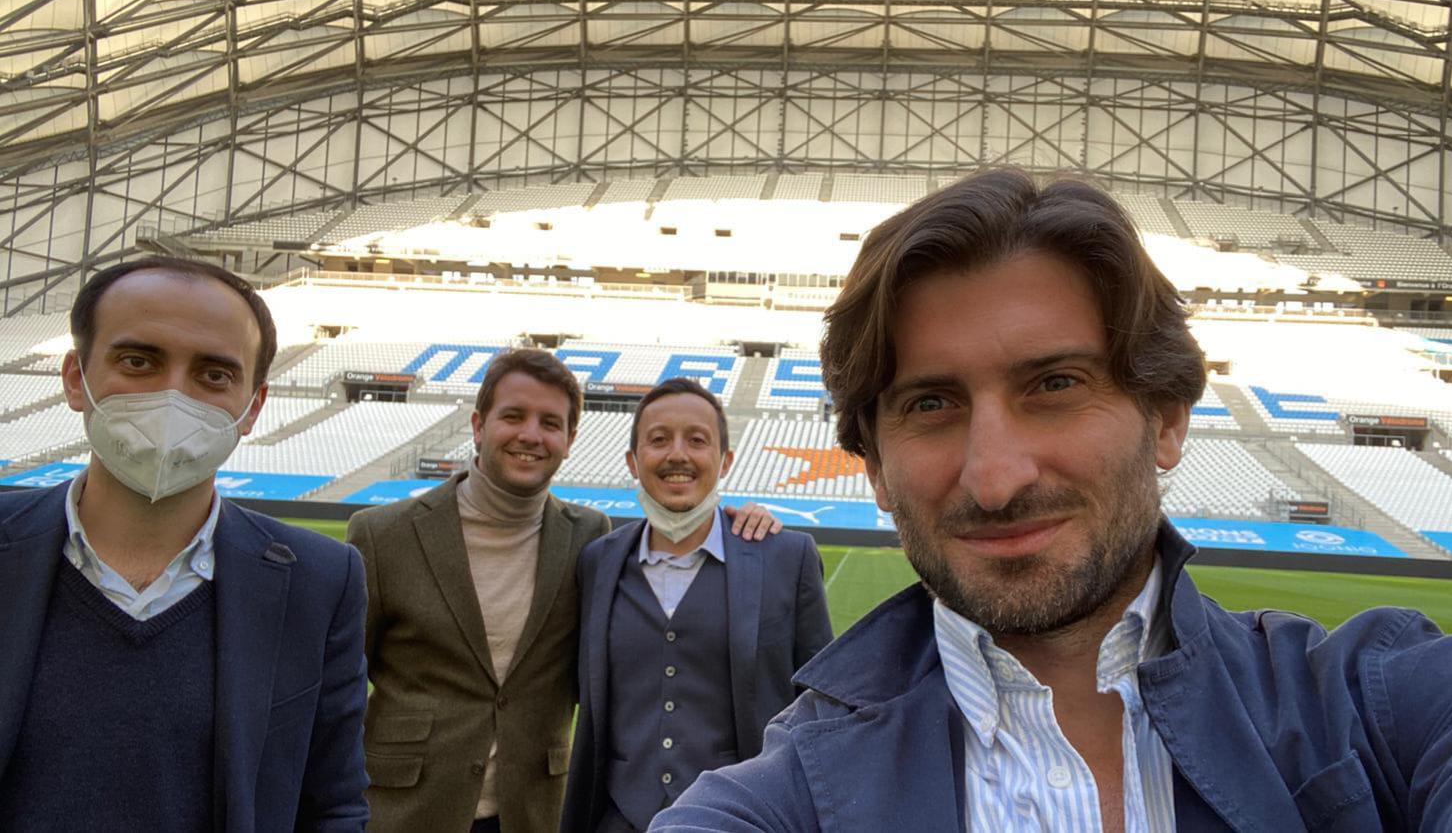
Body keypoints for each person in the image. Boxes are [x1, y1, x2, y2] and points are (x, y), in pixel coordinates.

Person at [652, 170, 1452, 833]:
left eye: (1056, 384)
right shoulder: (773, 801)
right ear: (874, 466)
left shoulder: (1377, 701)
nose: (996, 478)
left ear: (1168, 419)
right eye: (929, 404)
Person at [0, 256, 368, 832]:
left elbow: (333, 806)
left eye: (214, 374)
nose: (174, 396)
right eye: (138, 360)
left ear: (253, 406)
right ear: (76, 378)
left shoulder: (320, 582)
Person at [349, 350, 782, 833]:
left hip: (532, 811)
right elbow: (336, 687)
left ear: (570, 440)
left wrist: (742, 519)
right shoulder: (381, 535)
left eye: (550, 423)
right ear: (477, 425)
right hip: (405, 811)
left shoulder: (589, 537)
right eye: (513, 416)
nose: (531, 435)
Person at [562, 377, 835, 833]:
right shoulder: (597, 561)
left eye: (697, 440)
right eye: (658, 439)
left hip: (744, 818)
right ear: (632, 461)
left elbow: (819, 705)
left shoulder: (786, 556)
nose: (677, 455)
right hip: (617, 819)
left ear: (725, 460)